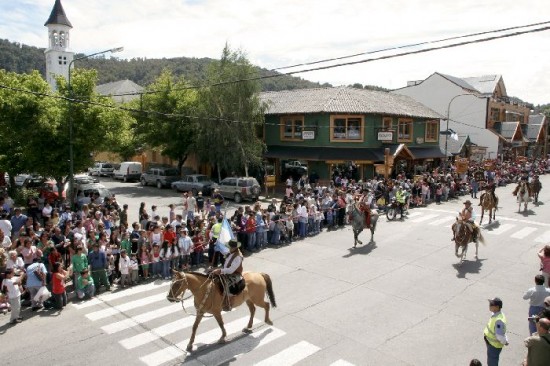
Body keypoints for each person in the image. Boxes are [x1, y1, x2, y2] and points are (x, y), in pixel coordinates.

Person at [211, 239, 244, 311]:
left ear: (234, 248)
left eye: (230, 247)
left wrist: (220, 270)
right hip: (226, 271)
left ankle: (228, 302)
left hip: (234, 274)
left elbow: (231, 270)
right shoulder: (231, 253)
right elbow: (225, 260)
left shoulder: (238, 257)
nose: (229, 248)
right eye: (229, 247)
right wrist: (217, 247)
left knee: (225, 284)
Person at [483, 297, 508, 366]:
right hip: (490, 343)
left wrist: (505, 342)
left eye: (491, 304)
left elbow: (500, 336)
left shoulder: (498, 321)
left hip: (494, 346)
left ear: (497, 307)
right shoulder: (497, 314)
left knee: (492, 362)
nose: (489, 306)